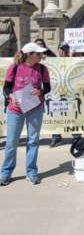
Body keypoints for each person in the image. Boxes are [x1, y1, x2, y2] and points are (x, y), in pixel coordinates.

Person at [0, 43, 51, 186]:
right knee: (11, 142)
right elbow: (7, 87)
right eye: (38, 54)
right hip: (16, 110)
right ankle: (5, 173)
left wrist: (40, 92)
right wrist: (11, 97)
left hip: (35, 108)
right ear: (29, 55)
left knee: (33, 141)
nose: (41, 56)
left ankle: (31, 172)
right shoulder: (15, 67)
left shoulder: (42, 68)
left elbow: (47, 88)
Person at [50, 41, 80, 148]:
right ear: (58, 50)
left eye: (66, 48)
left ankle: (76, 137)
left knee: (73, 115)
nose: (64, 51)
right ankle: (56, 137)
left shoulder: (74, 59)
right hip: (57, 93)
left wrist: (73, 57)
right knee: (57, 115)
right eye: (62, 49)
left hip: (70, 92)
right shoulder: (53, 60)